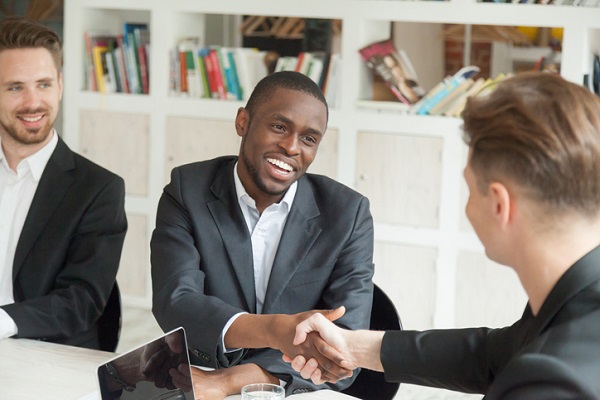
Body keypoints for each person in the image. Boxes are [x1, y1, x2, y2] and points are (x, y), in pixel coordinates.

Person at [287, 72, 600, 399]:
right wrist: (352, 347)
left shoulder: (553, 380)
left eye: (469, 189)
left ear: (498, 204)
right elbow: (490, 354)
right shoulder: (572, 307)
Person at [150, 71, 374, 397]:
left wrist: (232, 381)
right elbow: (177, 303)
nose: (291, 147)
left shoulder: (348, 214)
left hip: (291, 389)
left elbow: (343, 349)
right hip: (201, 374)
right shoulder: (187, 190)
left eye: (309, 139)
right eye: (279, 127)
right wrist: (273, 330)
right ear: (243, 121)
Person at [0, 16, 127, 349]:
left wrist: (3, 321)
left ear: (59, 84)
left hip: (48, 352)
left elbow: (81, 300)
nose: (32, 102)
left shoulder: (98, 189)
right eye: (15, 87)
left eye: (43, 84)